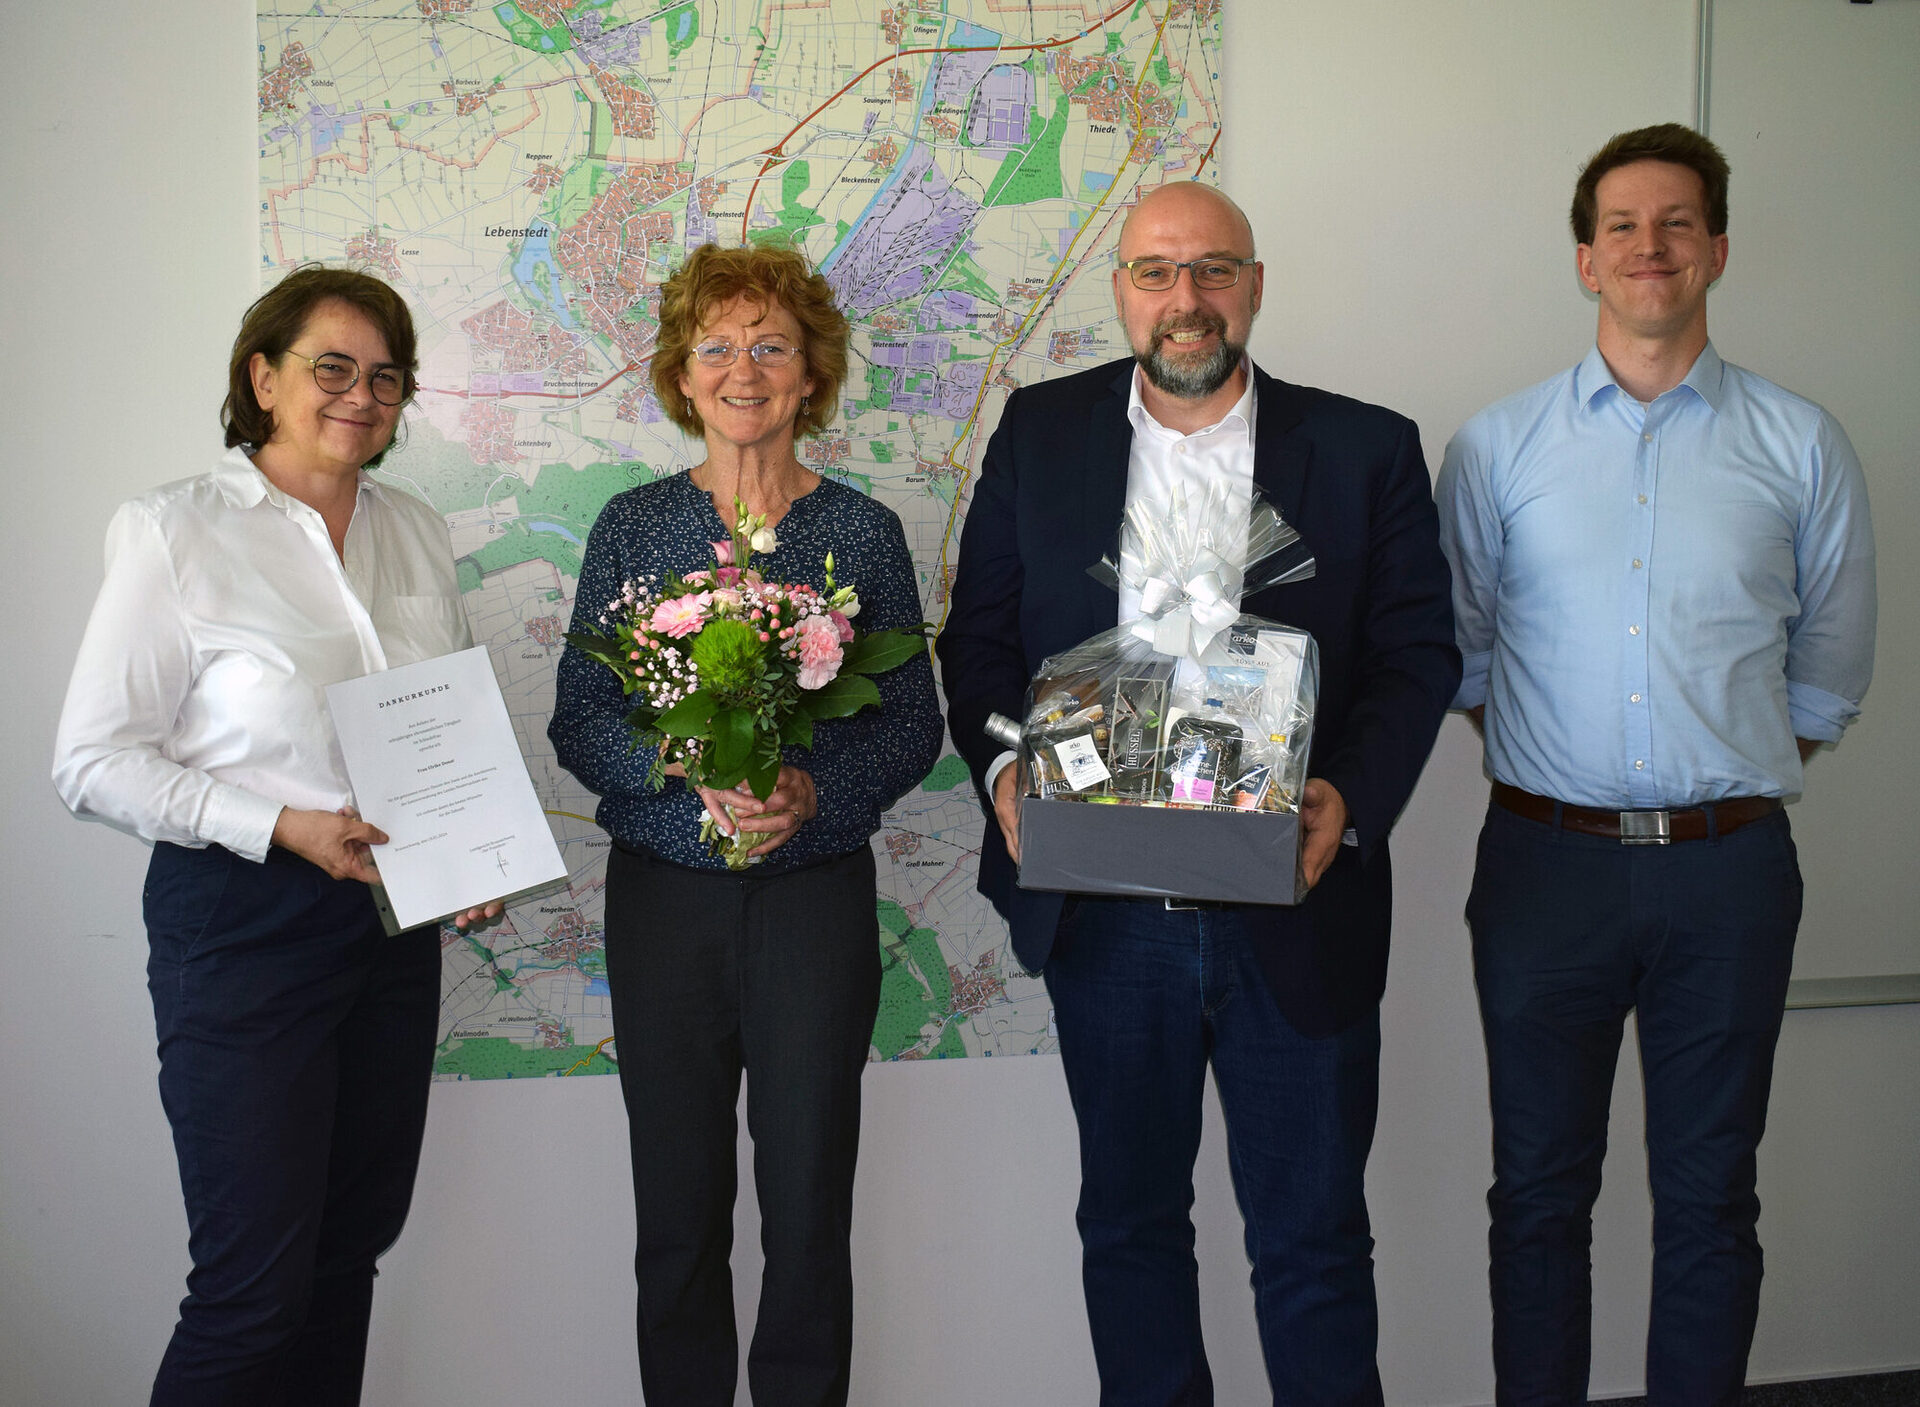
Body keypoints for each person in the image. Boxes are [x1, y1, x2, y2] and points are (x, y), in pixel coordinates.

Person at [938, 182, 1459, 1406]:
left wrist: (1348, 797)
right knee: (1129, 1227)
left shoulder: (1366, 448)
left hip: (1297, 903)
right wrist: (1009, 772)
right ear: (1120, 289)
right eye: (1158, 272)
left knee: (1313, 1241)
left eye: (1215, 270)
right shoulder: (1041, 433)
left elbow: (1417, 654)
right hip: (1106, 916)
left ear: (1256, 286)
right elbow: (980, 644)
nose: (1188, 299)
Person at [1436, 123, 1877, 1405]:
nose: (1649, 246)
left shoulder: (1801, 444)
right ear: (1585, 259)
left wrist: (1712, 775)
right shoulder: (1498, 447)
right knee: (1536, 1195)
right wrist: (1565, 774)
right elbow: (1465, 653)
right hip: (1544, 871)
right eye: (1621, 226)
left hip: (1727, 876)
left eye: (1677, 222)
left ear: (1717, 250)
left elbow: (1828, 672)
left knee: (1710, 1197)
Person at [51, 266, 500, 1406]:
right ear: (262, 378)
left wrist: (467, 852)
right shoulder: (174, 530)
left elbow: (436, 723)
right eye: (331, 367)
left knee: (345, 1257)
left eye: (386, 376)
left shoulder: (415, 529)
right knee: (250, 1292)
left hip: (389, 928)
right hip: (240, 924)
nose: (362, 395)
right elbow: (91, 762)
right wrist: (279, 826)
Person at [548, 242, 943, 1407]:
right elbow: (581, 718)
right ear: (681, 375)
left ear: (812, 373)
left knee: (810, 1206)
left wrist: (815, 793)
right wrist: (673, 764)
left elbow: (911, 724)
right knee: (676, 1209)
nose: (744, 369)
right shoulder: (633, 527)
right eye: (715, 346)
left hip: (813, 902)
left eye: (772, 345)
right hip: (665, 903)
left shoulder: (862, 533)